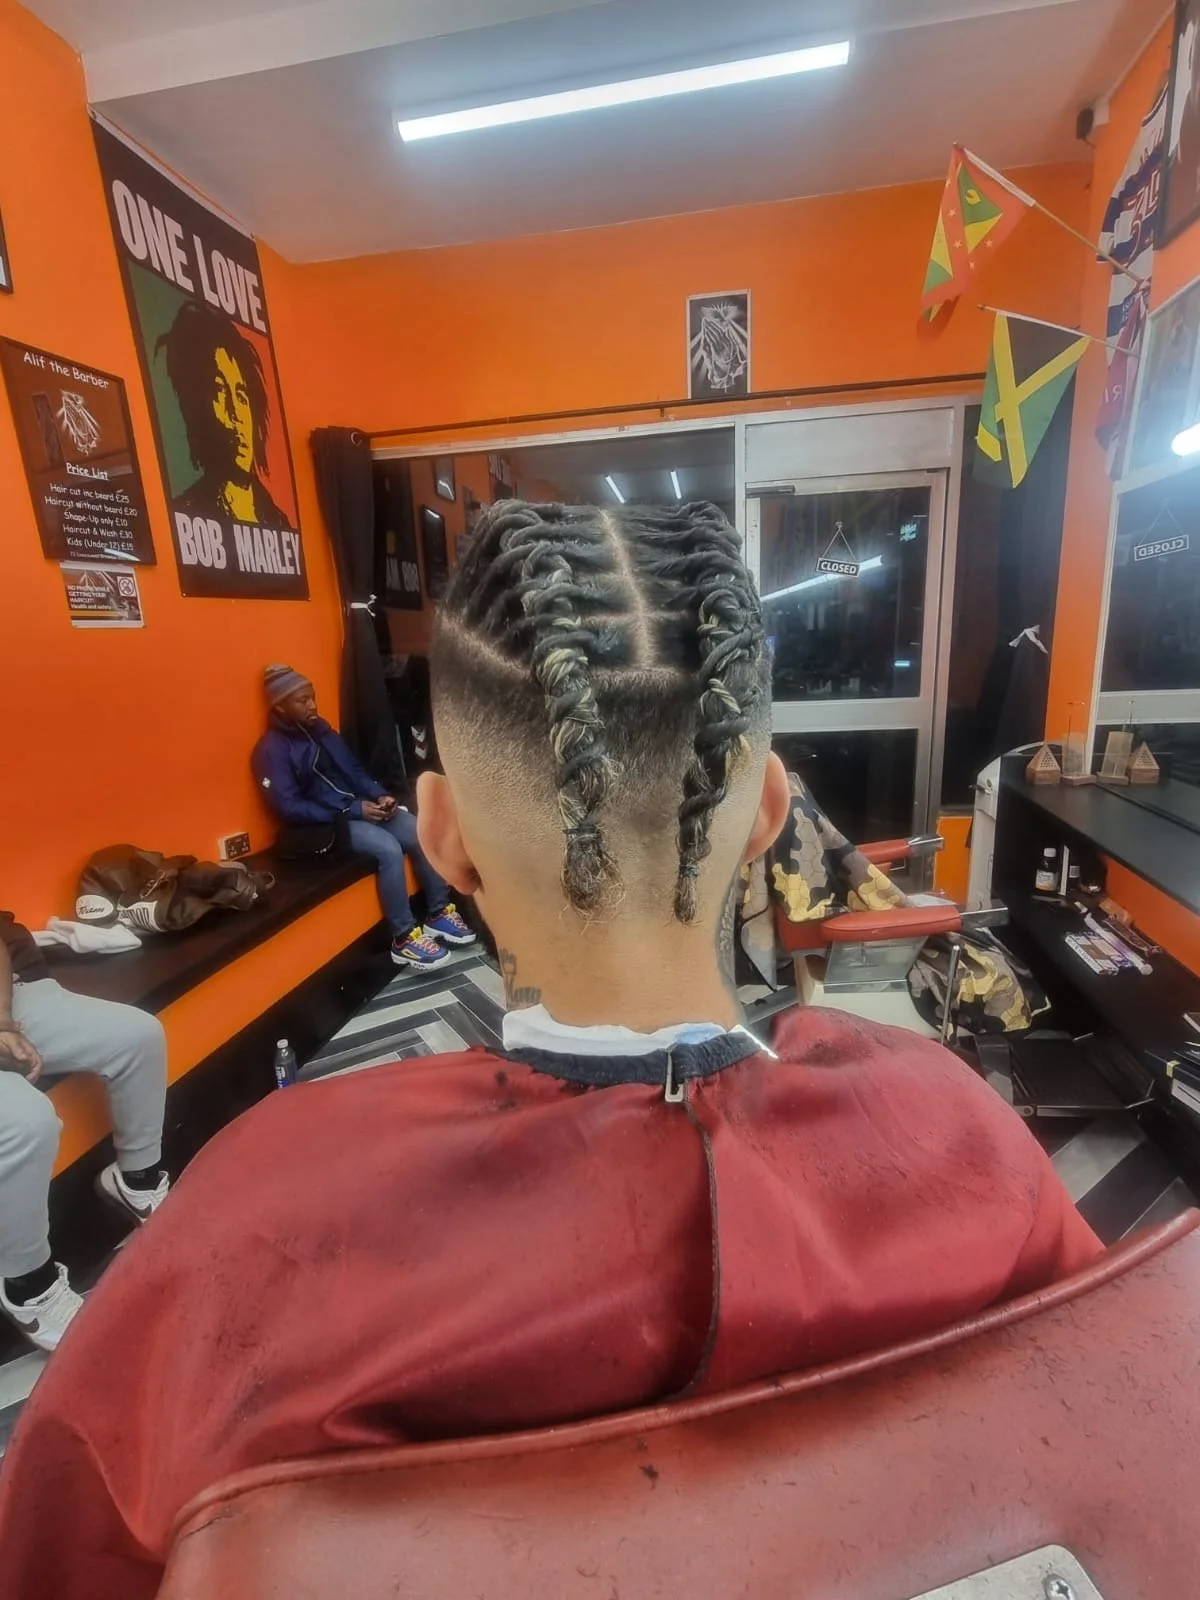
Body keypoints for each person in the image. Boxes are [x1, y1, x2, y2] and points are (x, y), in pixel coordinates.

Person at [0, 503, 1100, 1599]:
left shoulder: (250, 1229)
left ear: (442, 837)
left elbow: (62, 1542)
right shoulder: (962, 1144)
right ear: (769, 810)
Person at [0, 911, 169, 1352]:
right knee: (25, 1123)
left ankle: (138, 1183)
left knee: (139, 1035)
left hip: (15, 988)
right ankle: (27, 1287)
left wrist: (3, 1021)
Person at [251, 664, 475, 968]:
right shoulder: (271, 750)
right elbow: (287, 807)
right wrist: (352, 810)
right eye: (302, 701)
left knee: (421, 830)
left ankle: (438, 913)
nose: (312, 705)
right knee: (387, 848)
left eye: (312, 697)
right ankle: (403, 937)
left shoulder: (323, 732)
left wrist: (379, 794)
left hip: (357, 808)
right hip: (323, 826)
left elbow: (355, 773)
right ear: (279, 705)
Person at [157, 300, 292, 529]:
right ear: (196, 407)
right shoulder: (186, 512)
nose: (236, 414)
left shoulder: (278, 521)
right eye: (220, 391)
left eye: (241, 396)